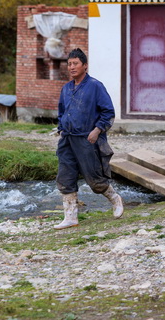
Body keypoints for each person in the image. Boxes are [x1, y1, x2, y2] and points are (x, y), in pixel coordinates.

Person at [53, 47, 124, 229]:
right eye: (69, 64)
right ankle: (70, 217)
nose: (71, 67)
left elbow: (108, 112)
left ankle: (116, 199)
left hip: (87, 140)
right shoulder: (66, 89)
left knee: (94, 179)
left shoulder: (95, 86)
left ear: (85, 65)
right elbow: (62, 112)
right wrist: (61, 130)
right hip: (67, 140)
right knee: (65, 177)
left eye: (75, 63)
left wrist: (97, 130)